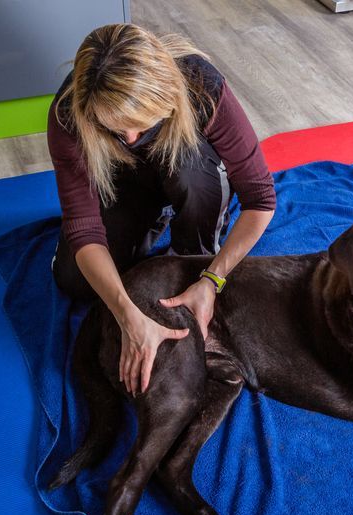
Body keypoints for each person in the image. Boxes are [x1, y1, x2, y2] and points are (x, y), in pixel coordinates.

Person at [47, 24, 276, 395]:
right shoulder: (68, 115)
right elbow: (84, 229)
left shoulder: (201, 83)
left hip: (187, 170)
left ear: (167, 96)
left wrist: (212, 279)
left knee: (192, 175)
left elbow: (261, 199)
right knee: (74, 281)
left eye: (143, 124)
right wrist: (127, 316)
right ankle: (152, 218)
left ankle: (195, 245)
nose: (132, 139)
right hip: (124, 185)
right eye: (117, 128)